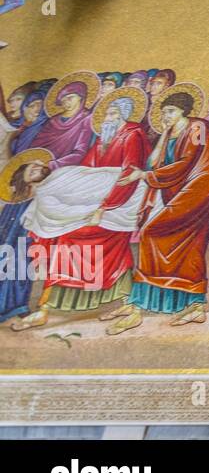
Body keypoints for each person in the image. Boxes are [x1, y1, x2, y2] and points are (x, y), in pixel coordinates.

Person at [12, 88, 148, 330]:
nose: (107, 116)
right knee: (60, 237)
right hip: (96, 200)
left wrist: (103, 208)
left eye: (114, 112)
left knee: (69, 238)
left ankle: (51, 307)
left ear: (124, 114)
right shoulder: (104, 137)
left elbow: (129, 175)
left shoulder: (133, 135)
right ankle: (47, 307)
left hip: (119, 201)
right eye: (107, 112)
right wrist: (73, 190)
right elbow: (86, 169)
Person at [103, 87, 209, 334]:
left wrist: (146, 175)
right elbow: (154, 163)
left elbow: (186, 163)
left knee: (152, 233)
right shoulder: (171, 134)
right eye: (164, 113)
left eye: (171, 111)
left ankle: (139, 307)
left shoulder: (198, 129)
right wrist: (163, 137)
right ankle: (191, 306)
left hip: (201, 189)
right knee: (188, 246)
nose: (166, 117)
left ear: (184, 110)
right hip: (182, 191)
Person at [0, 150, 49, 322]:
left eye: (39, 167)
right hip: (9, 237)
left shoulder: (42, 195)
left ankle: (19, 306)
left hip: (28, 238)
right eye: (32, 168)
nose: (37, 168)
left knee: (22, 269)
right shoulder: (14, 200)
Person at [31, 73, 99, 167]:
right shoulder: (52, 121)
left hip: (64, 167)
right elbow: (36, 144)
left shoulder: (87, 119)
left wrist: (54, 164)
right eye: (63, 101)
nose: (66, 102)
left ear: (80, 96)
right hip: (40, 163)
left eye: (70, 98)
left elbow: (80, 152)